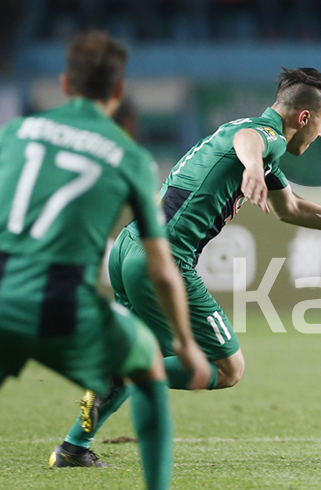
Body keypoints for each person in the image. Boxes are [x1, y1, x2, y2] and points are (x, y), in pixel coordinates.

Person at [54, 66, 321, 464]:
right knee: (227, 369)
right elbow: (250, 142)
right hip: (164, 259)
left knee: (148, 350)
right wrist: (254, 167)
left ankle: (73, 447)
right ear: (305, 117)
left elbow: (289, 208)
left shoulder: (252, 138)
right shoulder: (266, 137)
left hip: (129, 248)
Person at [0, 31, 209, 488]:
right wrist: (187, 345)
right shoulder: (129, 156)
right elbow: (161, 266)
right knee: (148, 366)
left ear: (64, 83)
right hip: (58, 302)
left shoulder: (14, 132)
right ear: (117, 92)